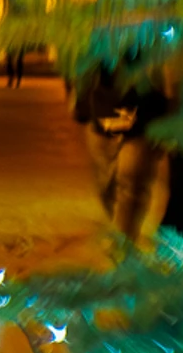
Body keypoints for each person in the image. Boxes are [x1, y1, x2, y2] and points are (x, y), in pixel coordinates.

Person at [69, 60, 168, 248]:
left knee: (132, 184)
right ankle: (120, 229)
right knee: (106, 185)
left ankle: (123, 241)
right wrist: (81, 105)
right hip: (102, 116)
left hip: (144, 117)